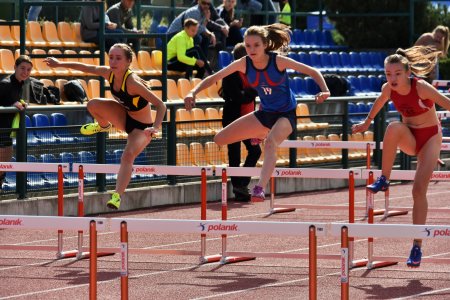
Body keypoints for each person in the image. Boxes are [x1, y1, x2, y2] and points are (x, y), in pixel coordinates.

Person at [183, 24, 330, 202]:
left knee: (270, 144)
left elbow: (312, 71)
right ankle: (261, 133)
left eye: (256, 45)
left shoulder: (278, 61)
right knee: (219, 139)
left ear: (265, 45)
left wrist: (324, 90)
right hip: (265, 113)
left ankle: (259, 187)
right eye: (248, 45)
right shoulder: (243, 63)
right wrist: (193, 92)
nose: (251, 50)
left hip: (285, 114)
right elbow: (215, 77)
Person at [352, 46, 450, 268]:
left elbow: (448, 104)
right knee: (393, 127)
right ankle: (384, 179)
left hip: (430, 138)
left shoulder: (422, 87)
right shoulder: (388, 89)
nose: (392, 78)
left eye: (397, 74)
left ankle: (417, 246)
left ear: (408, 73)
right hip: (410, 137)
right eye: (388, 74)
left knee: (418, 190)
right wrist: (367, 122)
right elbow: (378, 103)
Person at [44, 43, 166, 210]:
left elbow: (161, 105)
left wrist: (156, 127)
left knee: (127, 156)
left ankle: (117, 196)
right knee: (93, 104)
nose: (113, 61)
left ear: (128, 62)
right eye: (111, 57)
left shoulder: (133, 83)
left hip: (142, 128)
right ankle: (103, 126)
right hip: (125, 116)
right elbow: (86, 67)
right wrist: (59, 64)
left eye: (118, 58)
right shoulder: (109, 73)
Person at [221, 42, 261, 201]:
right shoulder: (230, 73)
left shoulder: (251, 72)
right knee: (235, 155)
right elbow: (239, 97)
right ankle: (239, 187)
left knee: (255, 151)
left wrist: (250, 92)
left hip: (250, 120)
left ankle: (241, 184)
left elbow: (249, 93)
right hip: (234, 120)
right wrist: (252, 91)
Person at [0, 56, 32, 190]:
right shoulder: (6, 83)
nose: (25, 72)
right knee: (3, 161)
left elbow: (12, 98)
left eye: (28, 70)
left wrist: (18, 102)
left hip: (8, 128)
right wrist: (12, 103)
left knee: (6, 159)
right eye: (22, 68)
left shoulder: (20, 83)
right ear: (15, 67)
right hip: (1, 128)